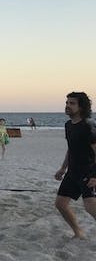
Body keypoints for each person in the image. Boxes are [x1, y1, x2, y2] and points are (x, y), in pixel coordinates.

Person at [54, 92, 96, 239]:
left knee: (90, 207)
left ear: (81, 107)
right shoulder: (68, 125)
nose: (68, 106)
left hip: (88, 172)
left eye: (72, 103)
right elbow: (71, 148)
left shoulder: (89, 127)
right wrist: (63, 168)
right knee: (60, 203)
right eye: (67, 103)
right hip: (72, 172)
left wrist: (95, 176)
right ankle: (78, 232)